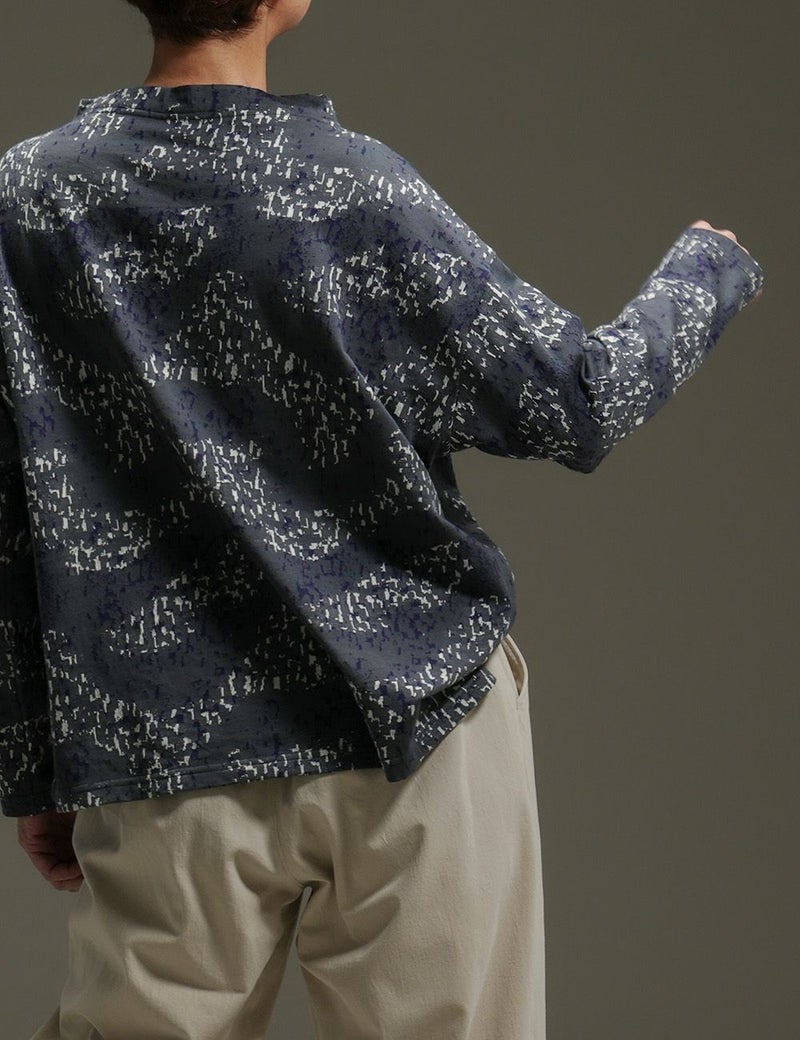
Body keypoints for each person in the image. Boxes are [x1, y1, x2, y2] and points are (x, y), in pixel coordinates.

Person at [0, 1, 764, 1037]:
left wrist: (40, 763)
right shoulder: (353, 184)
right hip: (413, 719)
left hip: (166, 750)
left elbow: (13, 504)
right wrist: (706, 269)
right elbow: (576, 403)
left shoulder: (28, 197)